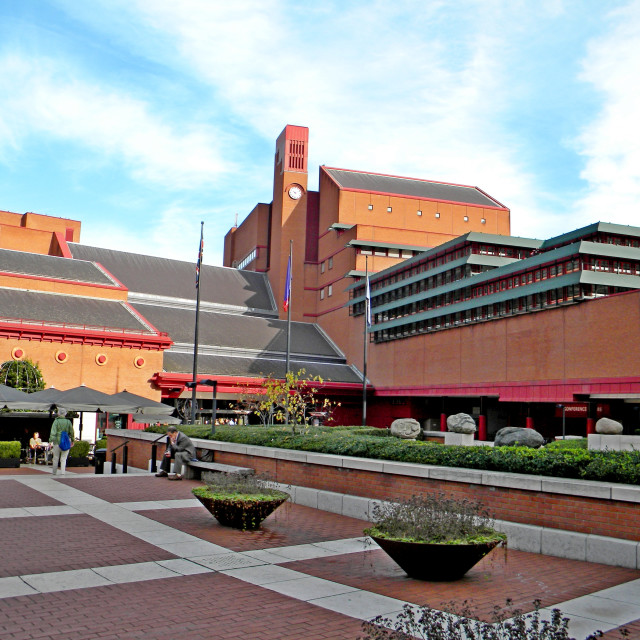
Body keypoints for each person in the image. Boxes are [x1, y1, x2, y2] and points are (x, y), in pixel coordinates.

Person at [49, 409, 75, 476]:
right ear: (65, 414)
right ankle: (63, 472)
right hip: (66, 442)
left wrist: (50, 441)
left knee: (56, 458)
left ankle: (54, 472)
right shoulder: (68, 422)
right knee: (63, 458)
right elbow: (71, 432)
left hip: (57, 442)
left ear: (58, 414)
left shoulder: (56, 421)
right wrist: (72, 440)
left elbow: (53, 432)